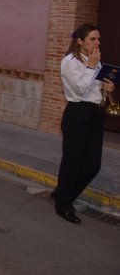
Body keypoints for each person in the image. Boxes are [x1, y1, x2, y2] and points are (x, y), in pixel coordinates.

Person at [51, 24, 115, 224]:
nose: (97, 43)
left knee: (92, 165)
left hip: (95, 114)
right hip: (77, 114)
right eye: (93, 39)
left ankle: (62, 193)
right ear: (80, 41)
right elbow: (79, 90)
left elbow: (95, 91)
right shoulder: (70, 61)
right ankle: (63, 203)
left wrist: (109, 88)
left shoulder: (95, 61)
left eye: (98, 39)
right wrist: (90, 67)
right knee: (73, 162)